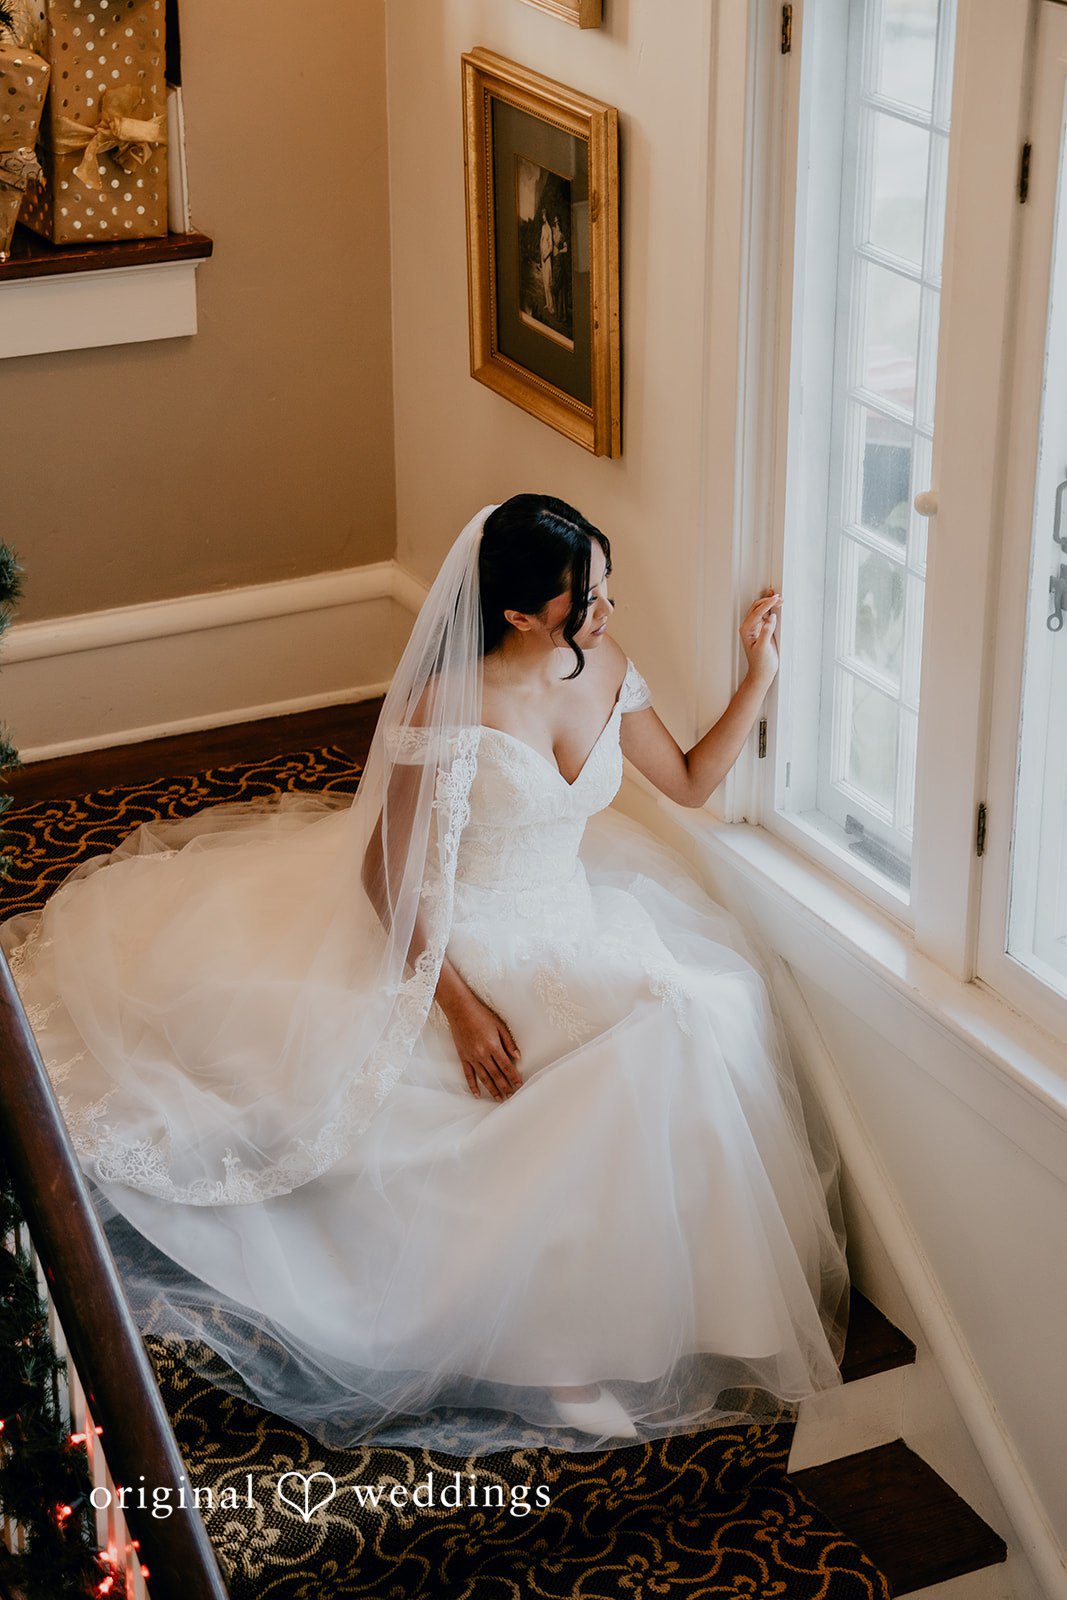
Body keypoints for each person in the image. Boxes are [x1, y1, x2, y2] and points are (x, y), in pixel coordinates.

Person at [1, 495, 849, 1454]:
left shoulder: (607, 664)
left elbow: (692, 780)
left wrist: (760, 676)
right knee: (633, 1046)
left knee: (703, 1010)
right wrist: (458, 1008)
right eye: (589, 598)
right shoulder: (445, 708)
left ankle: (673, 1298)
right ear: (521, 614)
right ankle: (551, 1346)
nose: (608, 612)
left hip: (576, 912)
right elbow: (385, 875)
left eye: (606, 589)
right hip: (466, 934)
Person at [551, 214, 569, 325]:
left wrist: (559, 251)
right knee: (556, 287)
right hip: (555, 262)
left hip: (560, 262)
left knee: (561, 288)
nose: (556, 224)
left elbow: (566, 249)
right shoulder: (553, 232)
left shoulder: (562, 235)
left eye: (557, 222)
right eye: (555, 222)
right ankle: (558, 313)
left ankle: (562, 315)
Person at [539, 209, 555, 316]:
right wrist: (541, 255)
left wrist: (545, 256)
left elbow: (551, 246)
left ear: (547, 217)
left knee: (548, 281)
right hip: (542, 257)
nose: (543, 218)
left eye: (544, 216)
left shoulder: (549, 229)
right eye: (542, 216)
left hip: (547, 258)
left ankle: (551, 306)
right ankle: (547, 303)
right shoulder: (543, 227)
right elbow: (541, 241)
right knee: (544, 281)